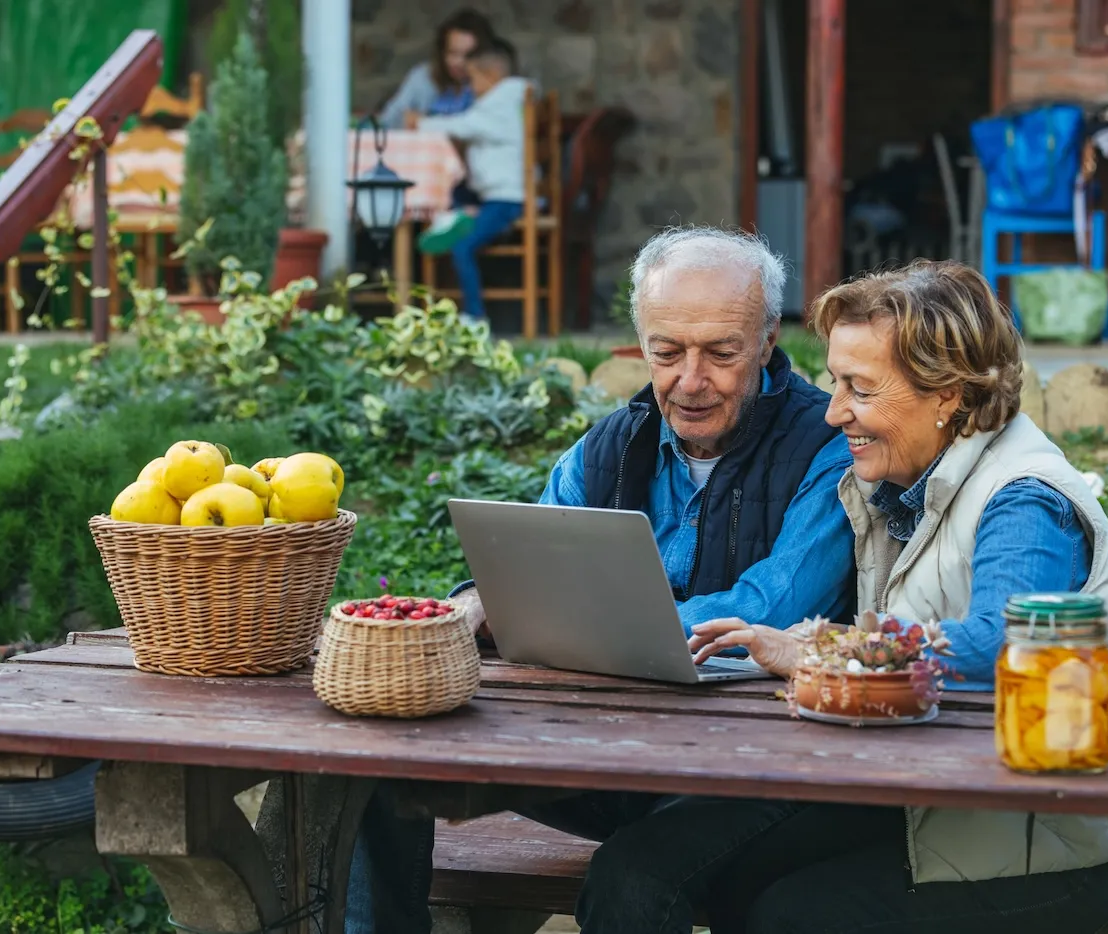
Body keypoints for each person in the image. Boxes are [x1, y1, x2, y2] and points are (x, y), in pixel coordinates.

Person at [572, 259, 1108, 934]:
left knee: (790, 916)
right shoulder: (897, 486)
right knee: (642, 867)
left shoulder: (1024, 500)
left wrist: (823, 652)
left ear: (947, 394)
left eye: (859, 388)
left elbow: (1008, 643)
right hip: (924, 796)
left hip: (1047, 842)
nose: (832, 411)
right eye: (834, 383)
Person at [345, 226, 857, 933]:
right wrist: (475, 603)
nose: (690, 380)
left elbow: (765, 610)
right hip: (609, 753)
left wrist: (585, 620)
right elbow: (529, 563)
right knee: (381, 771)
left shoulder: (828, 452)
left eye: (721, 353)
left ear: (769, 341)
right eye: (667, 352)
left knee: (632, 881)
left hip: (754, 776)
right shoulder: (610, 445)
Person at [410, 41, 529, 320]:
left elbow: (463, 125)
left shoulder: (498, 106)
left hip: (506, 200)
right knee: (463, 212)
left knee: (463, 247)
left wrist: (421, 123)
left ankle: (475, 316)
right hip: (496, 198)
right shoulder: (511, 100)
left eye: (473, 79)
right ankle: (455, 217)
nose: (470, 86)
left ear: (491, 77)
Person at [377, 8, 495, 126]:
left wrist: (425, 122)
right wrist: (406, 120)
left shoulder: (492, 84)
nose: (458, 62)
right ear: (442, 52)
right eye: (452, 53)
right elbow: (387, 121)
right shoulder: (422, 77)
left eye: (468, 55)